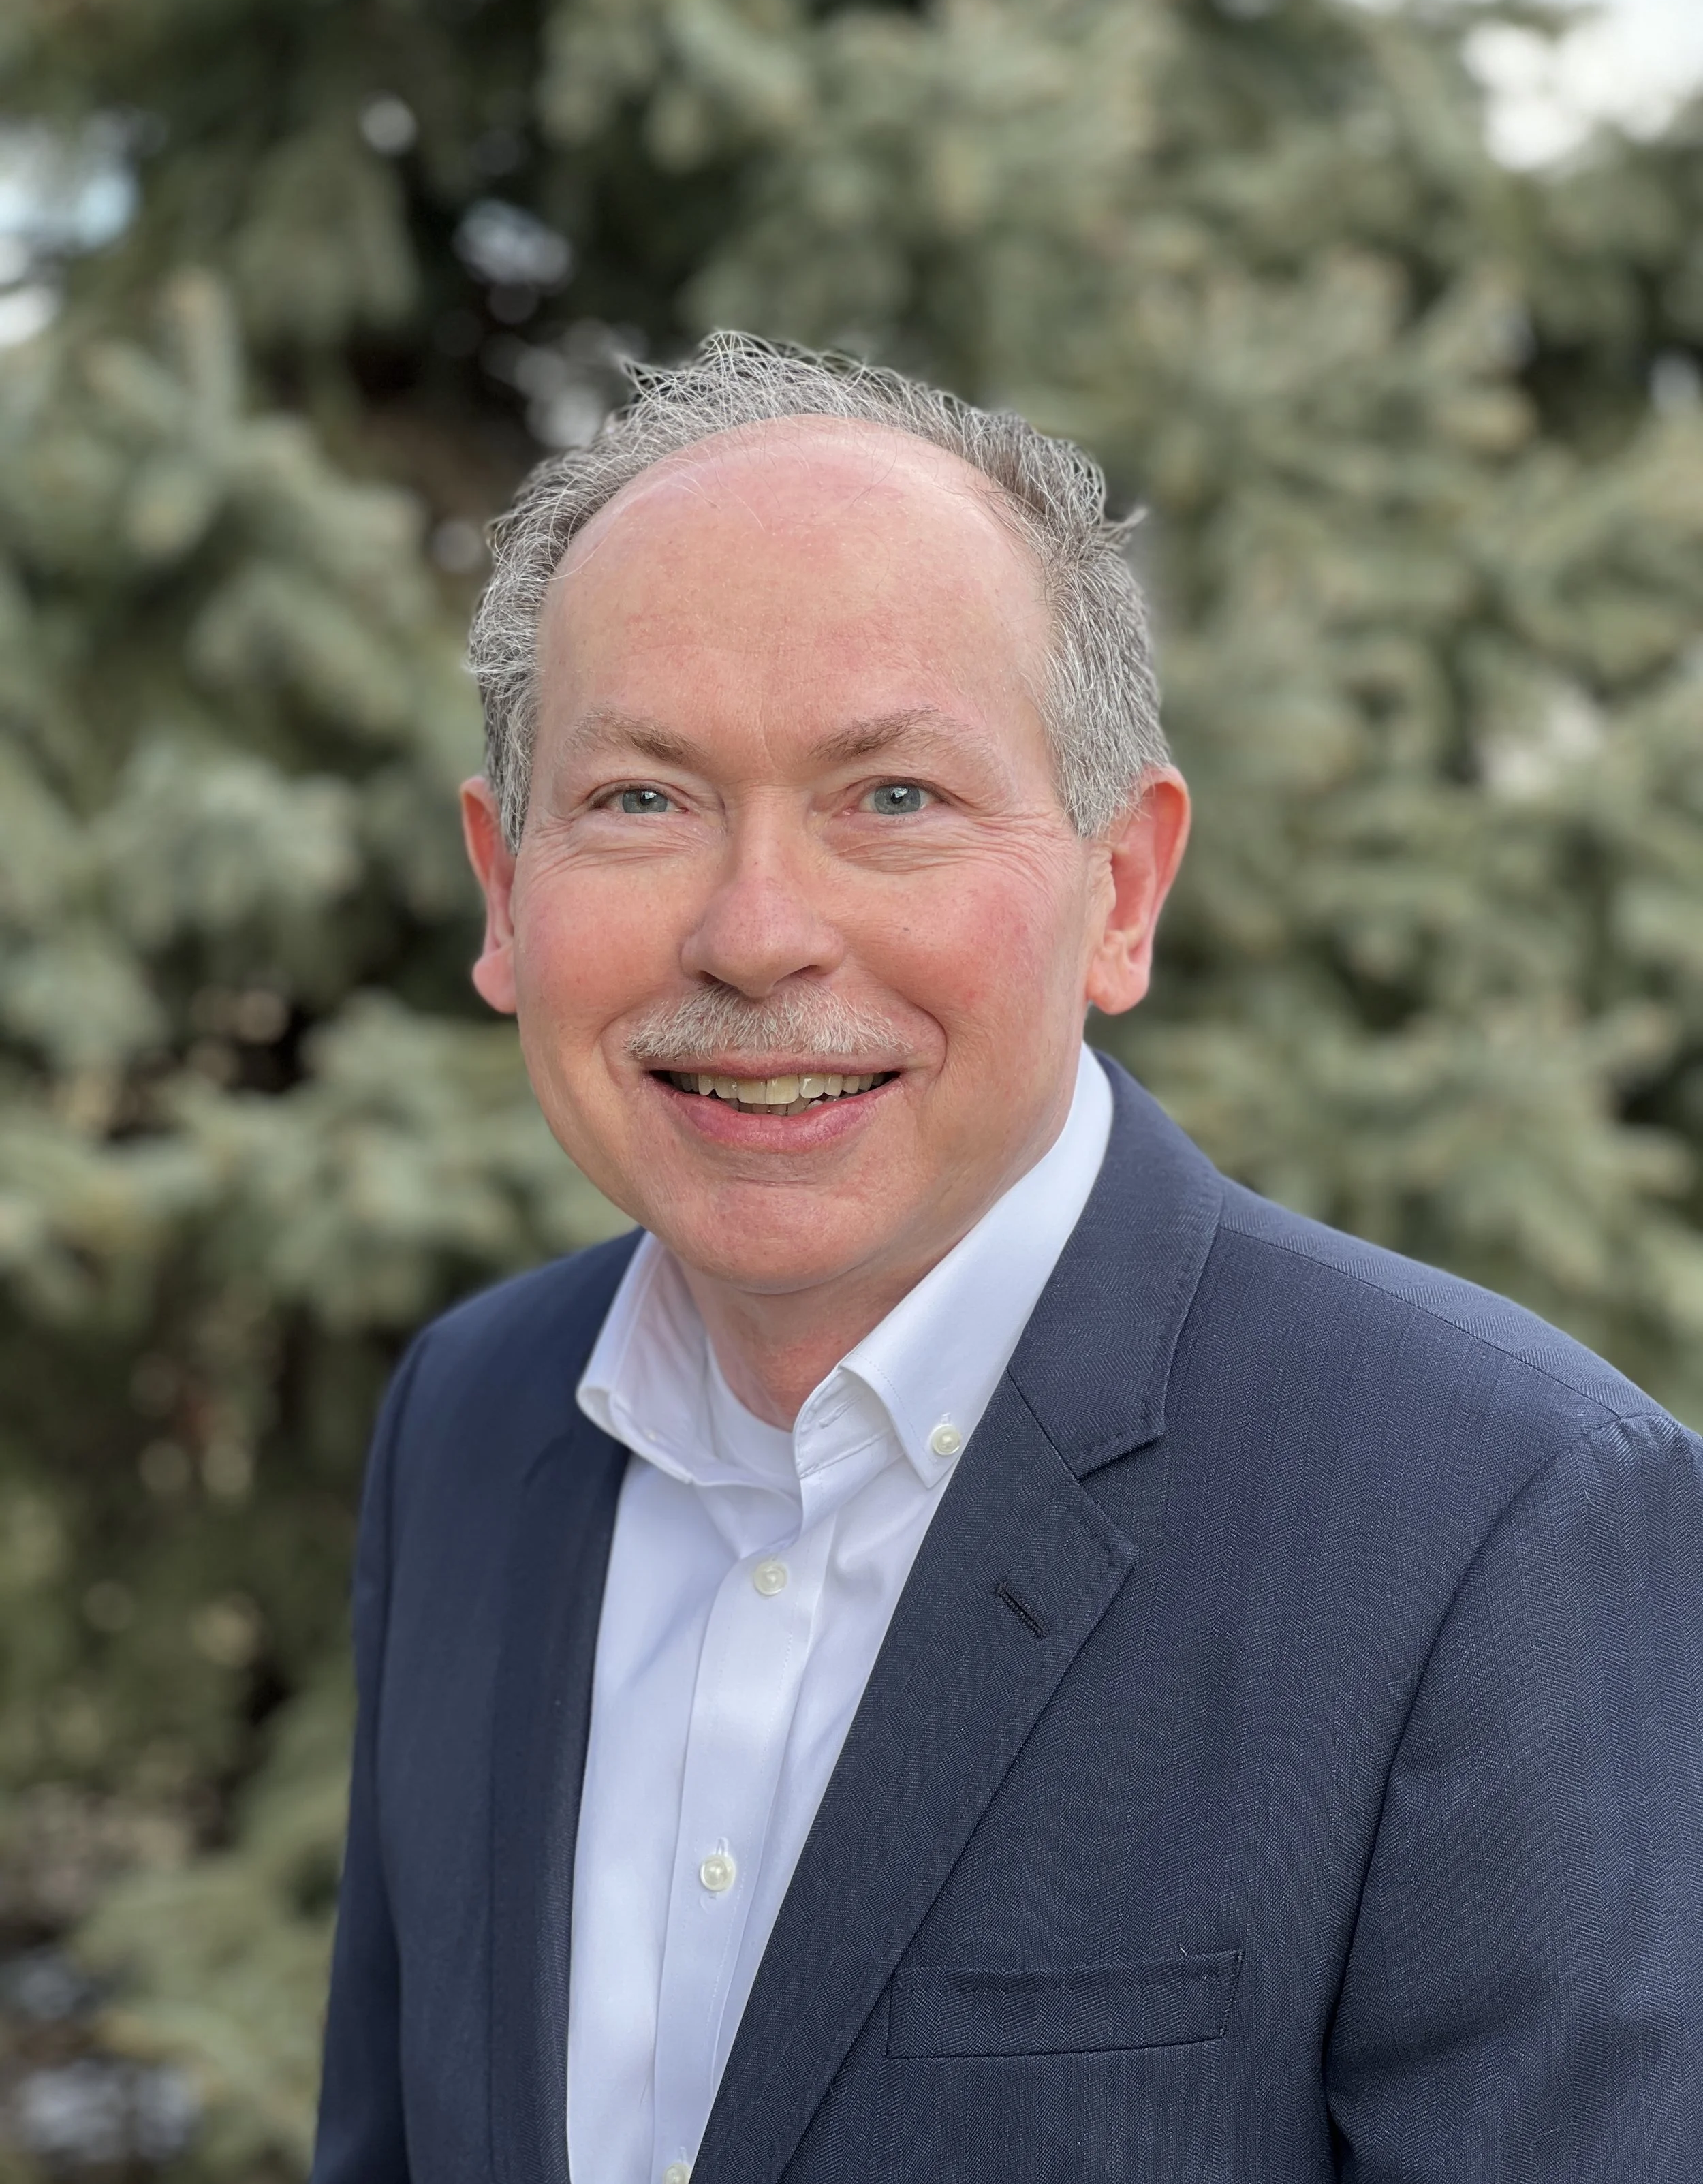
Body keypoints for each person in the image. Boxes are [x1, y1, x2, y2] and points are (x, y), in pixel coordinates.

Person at [310, 334, 1703, 2184]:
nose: (754, 932)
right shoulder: (469, 1421)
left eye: (893, 797)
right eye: (641, 798)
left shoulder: (1500, 1519)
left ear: (1121, 888)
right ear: (502, 890)